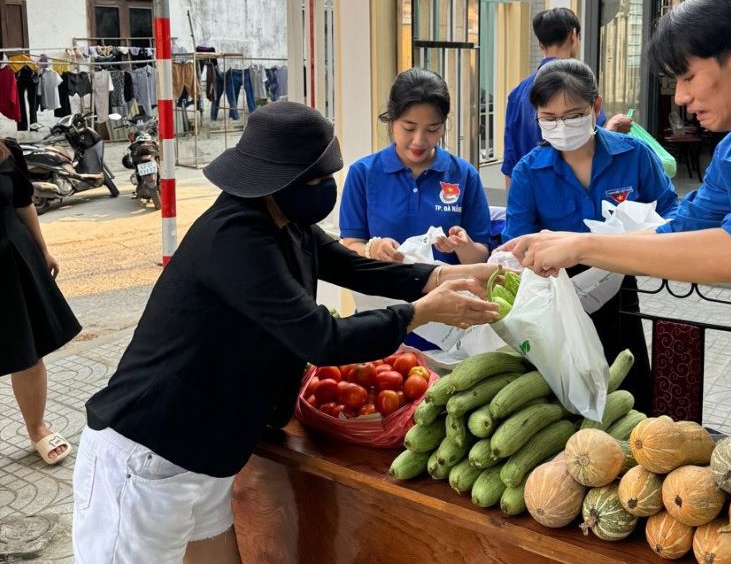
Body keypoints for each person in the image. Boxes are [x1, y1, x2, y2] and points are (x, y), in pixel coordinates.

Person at [72, 101, 502, 563]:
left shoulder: (287, 222)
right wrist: (419, 313)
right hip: (149, 454)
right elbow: (321, 338)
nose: (324, 190)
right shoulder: (237, 238)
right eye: (315, 181)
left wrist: (439, 277)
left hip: (207, 452)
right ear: (276, 179)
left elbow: (353, 267)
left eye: (326, 177)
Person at [502, 0, 731, 373]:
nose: (680, 97)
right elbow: (677, 228)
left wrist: (582, 247)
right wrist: (574, 242)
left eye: (687, 77)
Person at [503, 59, 678, 411]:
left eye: (572, 115)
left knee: (627, 393)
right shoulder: (530, 171)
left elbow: (672, 212)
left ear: (596, 107)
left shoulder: (633, 155)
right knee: (563, 400)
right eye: (549, 118)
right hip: (558, 300)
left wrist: (644, 236)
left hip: (619, 295)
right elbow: (519, 243)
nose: (561, 126)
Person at [340, 67, 491, 266]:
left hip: (448, 292)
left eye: (432, 129)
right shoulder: (363, 173)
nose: (419, 140)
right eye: (409, 128)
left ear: (444, 125)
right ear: (392, 120)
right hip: (383, 293)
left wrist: (463, 246)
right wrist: (373, 249)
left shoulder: (464, 175)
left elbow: (481, 256)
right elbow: (350, 245)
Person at [0, 138, 79, 466]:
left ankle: (37, 429)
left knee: (26, 354)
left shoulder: (6, 151)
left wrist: (43, 248)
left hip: (12, 260)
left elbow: (23, 203)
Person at [502, 7, 634, 189]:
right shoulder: (580, 87)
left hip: (529, 192)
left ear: (541, 45)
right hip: (572, 193)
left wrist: (514, 204)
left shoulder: (517, 93)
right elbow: (595, 149)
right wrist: (612, 129)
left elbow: (510, 161)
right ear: (574, 36)